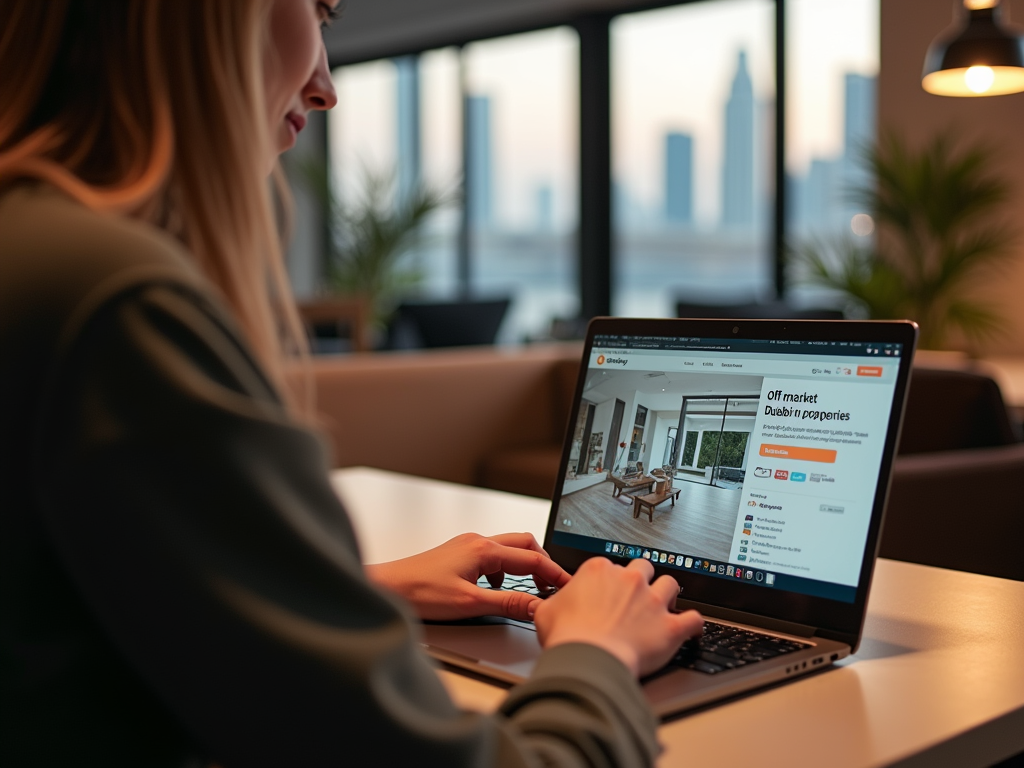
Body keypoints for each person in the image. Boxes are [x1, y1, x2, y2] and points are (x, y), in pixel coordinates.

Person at [0, 1, 704, 766]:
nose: (326, 87)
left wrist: (333, 593)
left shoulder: (33, 252)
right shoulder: (117, 306)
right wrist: (599, 652)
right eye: (320, 13)